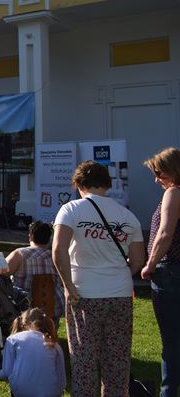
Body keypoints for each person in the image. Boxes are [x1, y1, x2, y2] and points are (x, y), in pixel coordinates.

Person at [52, 160, 145, 397]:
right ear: (107, 184)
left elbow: (58, 250)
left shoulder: (70, 210)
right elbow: (137, 261)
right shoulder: (128, 216)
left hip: (83, 293)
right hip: (120, 295)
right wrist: (116, 274)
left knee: (84, 361)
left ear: (79, 184)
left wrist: (68, 285)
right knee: (117, 362)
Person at [141, 147, 180, 397]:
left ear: (173, 171)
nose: (157, 180)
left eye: (160, 174)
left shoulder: (174, 192)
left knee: (171, 340)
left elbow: (165, 233)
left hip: (170, 273)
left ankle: (168, 392)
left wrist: (150, 264)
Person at [0, 307, 66, 397]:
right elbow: (62, 379)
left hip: (21, 392)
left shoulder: (13, 339)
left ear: (23, 324)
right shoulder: (55, 345)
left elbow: (7, 371)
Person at [6, 221, 64, 323]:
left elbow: (0, 273)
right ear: (49, 238)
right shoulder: (57, 257)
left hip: (24, 310)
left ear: (30, 236)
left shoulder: (19, 254)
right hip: (53, 310)